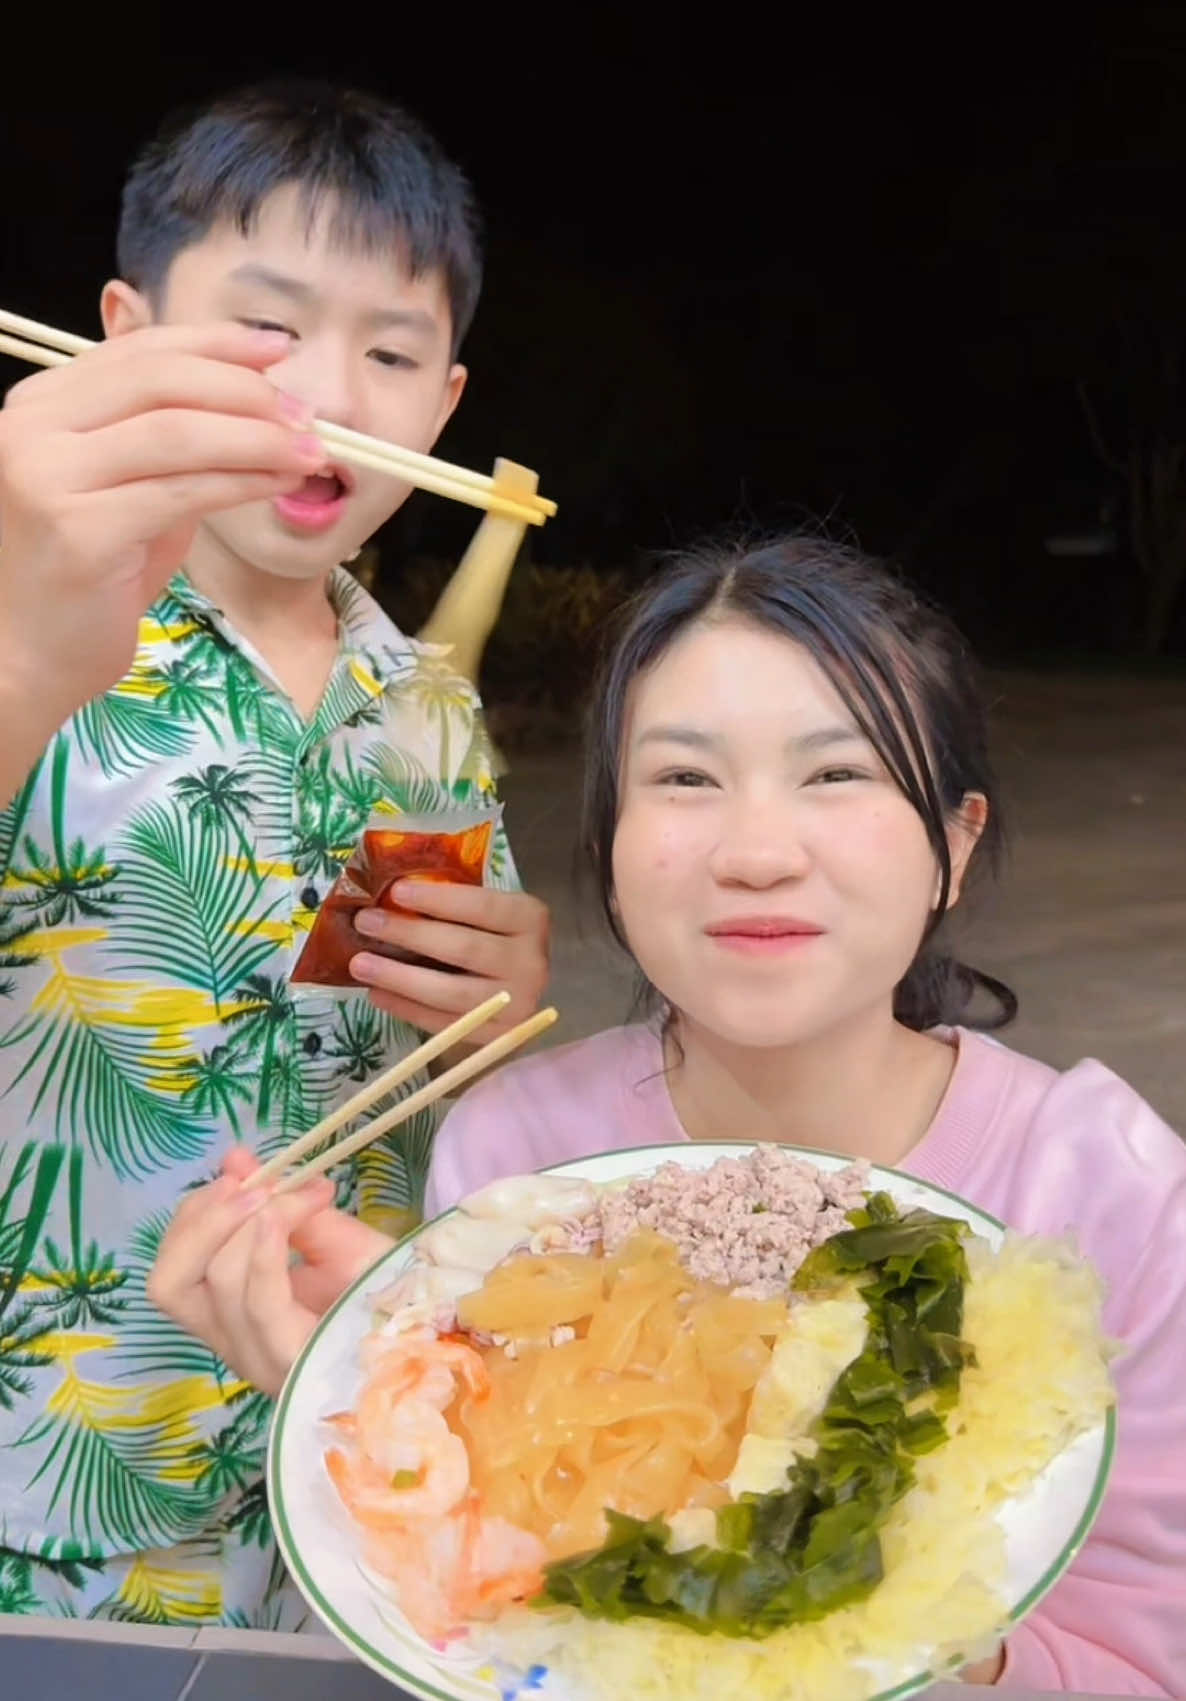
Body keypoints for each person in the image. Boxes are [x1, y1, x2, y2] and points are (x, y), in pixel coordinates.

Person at [150, 535, 1185, 1690]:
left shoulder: (1107, 1184)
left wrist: (877, 1614)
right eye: (685, 779)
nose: (754, 853)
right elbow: (502, 1623)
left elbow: (1137, 1662)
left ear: (953, 843)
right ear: (609, 841)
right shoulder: (516, 1150)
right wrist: (362, 1394)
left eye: (835, 775)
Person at [0, 82, 549, 1625]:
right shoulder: (25, 614)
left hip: (349, 1506)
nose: (330, 395)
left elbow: (442, 1105)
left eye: (388, 354)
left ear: (444, 405)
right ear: (123, 331)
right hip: (48, 1514)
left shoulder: (422, 706)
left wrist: (493, 1031)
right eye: (267, 331)